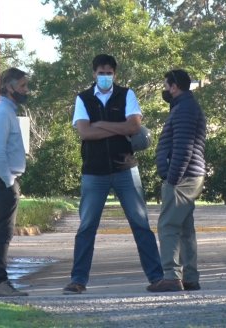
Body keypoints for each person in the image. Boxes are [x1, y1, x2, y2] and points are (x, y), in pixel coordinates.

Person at [63, 54, 164, 294]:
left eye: (109, 72)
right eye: (101, 72)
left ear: (114, 74)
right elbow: (85, 133)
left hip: (125, 168)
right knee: (87, 226)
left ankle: (156, 277)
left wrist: (100, 124)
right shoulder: (83, 98)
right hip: (94, 172)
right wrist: (116, 128)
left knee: (141, 224)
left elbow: (134, 126)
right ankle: (78, 280)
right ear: (94, 73)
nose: (105, 76)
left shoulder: (127, 94)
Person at [152, 69, 206, 292]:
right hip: (190, 175)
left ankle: (172, 276)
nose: (165, 89)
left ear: (174, 86)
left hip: (182, 178)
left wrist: (172, 178)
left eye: (167, 85)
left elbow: (184, 147)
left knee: (168, 226)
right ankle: (190, 278)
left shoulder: (184, 108)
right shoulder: (186, 107)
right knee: (184, 228)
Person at [0, 67, 29, 297]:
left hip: (1, 178)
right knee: (3, 233)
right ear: (9, 87)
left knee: (0, 232)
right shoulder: (2, 112)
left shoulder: (6, 110)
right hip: (1, 179)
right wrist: (10, 182)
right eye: (22, 86)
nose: (25, 90)